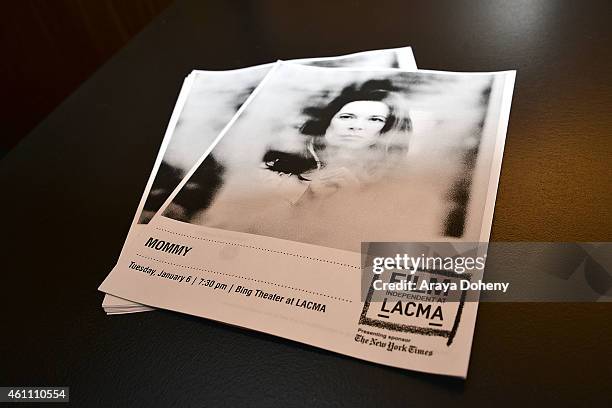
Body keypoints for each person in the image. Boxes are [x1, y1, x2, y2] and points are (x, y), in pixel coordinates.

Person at [262, 79, 412, 201]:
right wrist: (309, 199)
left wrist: (352, 200)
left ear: (386, 130)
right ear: (326, 123)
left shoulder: (397, 185)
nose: (356, 126)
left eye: (375, 119)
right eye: (346, 117)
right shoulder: (274, 174)